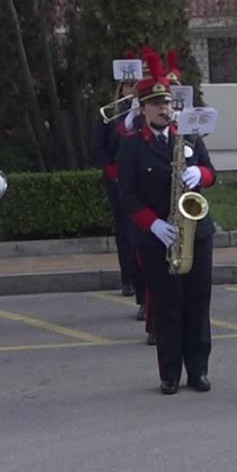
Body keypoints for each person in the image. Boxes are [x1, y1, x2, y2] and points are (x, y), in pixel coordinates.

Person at [117, 53, 218, 394]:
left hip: (196, 232)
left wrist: (198, 172)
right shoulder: (131, 147)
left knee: (197, 303)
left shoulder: (187, 136)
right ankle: (170, 373)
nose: (165, 109)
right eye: (157, 104)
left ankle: (199, 370)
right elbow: (127, 195)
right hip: (159, 236)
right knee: (167, 307)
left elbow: (211, 173)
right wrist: (154, 225)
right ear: (143, 109)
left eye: (167, 103)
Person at [94, 56, 144, 302]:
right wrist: (112, 169)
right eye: (128, 84)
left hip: (140, 177)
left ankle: (143, 277)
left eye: (136, 83)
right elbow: (99, 146)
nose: (132, 88)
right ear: (120, 88)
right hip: (117, 178)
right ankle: (128, 279)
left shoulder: (144, 112)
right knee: (124, 229)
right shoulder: (110, 114)